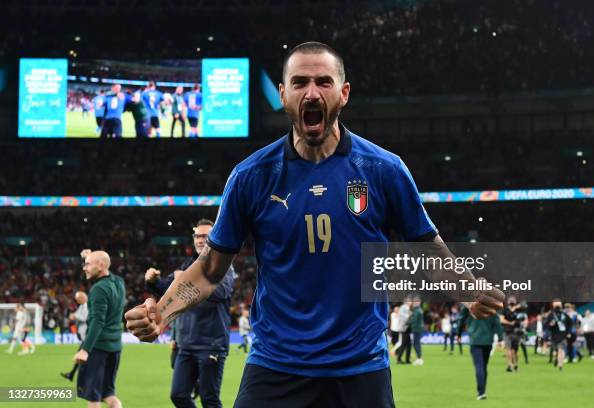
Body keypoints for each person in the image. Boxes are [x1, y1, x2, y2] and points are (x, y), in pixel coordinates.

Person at [125, 41, 504, 407]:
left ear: (344, 93)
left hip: (360, 367)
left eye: (323, 82)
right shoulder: (251, 176)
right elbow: (209, 272)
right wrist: (162, 312)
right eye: (299, 82)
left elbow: (426, 247)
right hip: (276, 365)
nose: (311, 92)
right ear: (283, 94)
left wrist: (468, 290)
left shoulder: (383, 170)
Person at [145, 219, 234, 408]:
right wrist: (153, 281)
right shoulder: (187, 266)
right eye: (198, 236)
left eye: (206, 236)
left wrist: (189, 283)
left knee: (209, 399)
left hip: (211, 344)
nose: (201, 240)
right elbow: (166, 289)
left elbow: (221, 293)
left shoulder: (224, 265)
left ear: (214, 239)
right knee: (178, 395)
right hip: (186, 344)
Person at [74, 250, 125, 407]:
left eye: (88, 264)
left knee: (93, 397)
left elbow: (97, 321)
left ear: (101, 266)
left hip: (98, 349)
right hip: (115, 346)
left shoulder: (98, 289)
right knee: (109, 395)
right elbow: (105, 265)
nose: (84, 268)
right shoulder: (118, 282)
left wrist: (85, 349)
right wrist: (88, 257)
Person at [458, 305, 504, 401]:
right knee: (484, 366)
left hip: (475, 340)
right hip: (488, 341)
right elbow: (497, 322)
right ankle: (483, 391)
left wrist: (458, 334)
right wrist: (500, 338)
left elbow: (461, 320)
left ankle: (481, 392)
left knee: (479, 366)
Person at [61, 289, 89, 381]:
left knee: (80, 355)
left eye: (78, 300)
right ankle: (72, 374)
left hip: (87, 335)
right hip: (82, 334)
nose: (77, 301)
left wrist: (75, 316)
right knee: (83, 356)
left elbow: (85, 318)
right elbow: (76, 315)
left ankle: (73, 374)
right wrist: (72, 317)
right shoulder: (82, 306)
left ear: (82, 297)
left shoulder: (88, 306)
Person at [545, 299, 572, 371]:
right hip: (554, 335)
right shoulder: (551, 315)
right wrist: (551, 325)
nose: (557, 306)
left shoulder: (564, 315)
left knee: (561, 349)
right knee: (555, 350)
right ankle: (556, 359)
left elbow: (570, 323)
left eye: (558, 305)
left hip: (563, 335)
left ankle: (560, 365)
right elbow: (546, 325)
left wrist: (568, 332)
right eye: (556, 304)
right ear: (553, 305)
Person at [500, 296, 520, 372]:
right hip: (515, 332)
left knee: (509, 349)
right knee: (514, 350)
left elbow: (501, 320)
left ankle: (510, 365)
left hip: (508, 332)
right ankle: (515, 365)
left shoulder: (504, 310)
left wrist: (509, 323)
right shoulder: (518, 311)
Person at [408, 297, 425, 365]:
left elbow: (414, 320)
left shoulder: (417, 310)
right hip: (417, 328)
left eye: (416, 301)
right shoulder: (417, 310)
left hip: (417, 329)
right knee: (416, 343)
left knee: (416, 344)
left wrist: (407, 322)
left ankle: (419, 359)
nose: (414, 303)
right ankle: (419, 358)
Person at [395, 297, 412, 364]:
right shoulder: (404, 307)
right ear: (406, 302)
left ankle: (406, 360)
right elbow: (403, 317)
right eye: (410, 301)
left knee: (408, 344)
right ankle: (399, 359)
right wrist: (409, 315)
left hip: (405, 328)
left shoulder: (404, 308)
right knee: (405, 344)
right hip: (404, 328)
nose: (411, 303)